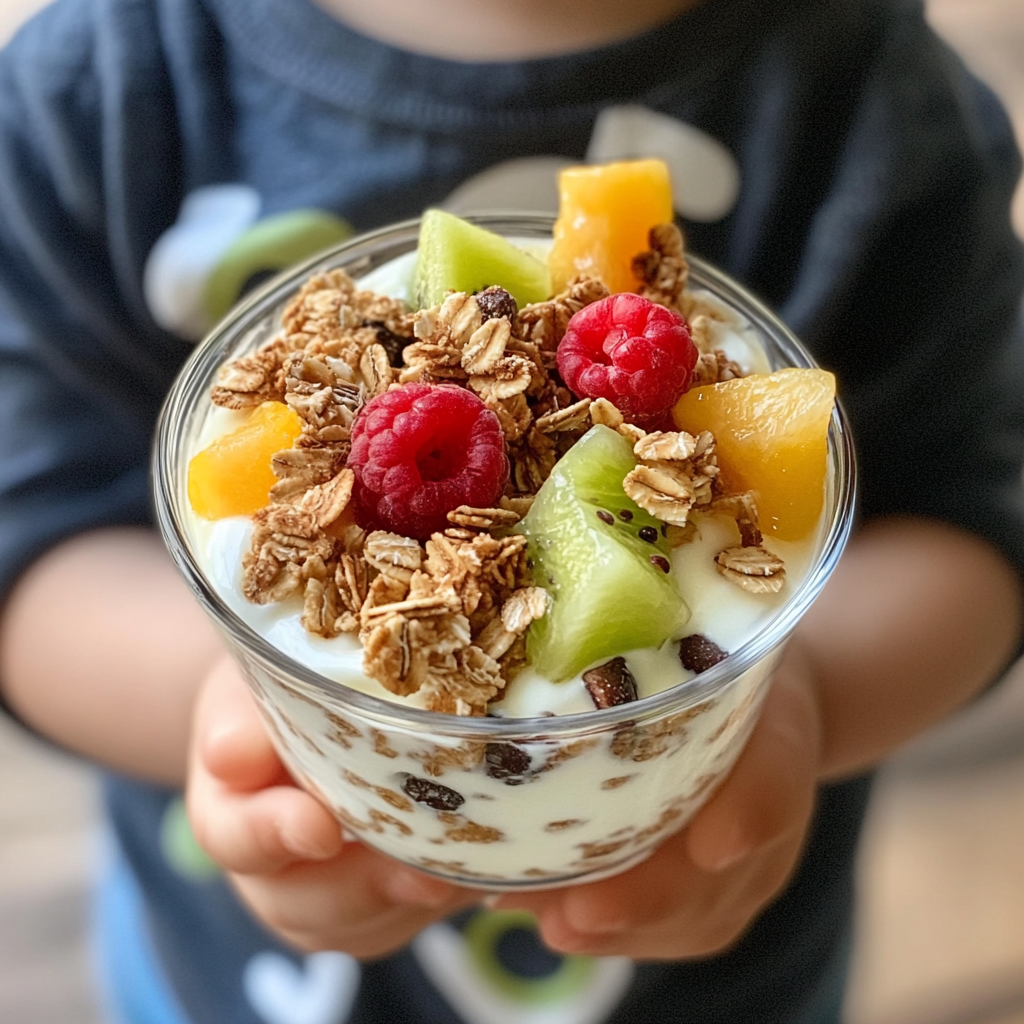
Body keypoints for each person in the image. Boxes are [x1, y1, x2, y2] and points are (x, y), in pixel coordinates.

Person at [1, 0, 1023, 1021]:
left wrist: (814, 698)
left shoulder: (876, 104)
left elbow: (978, 513)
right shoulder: (97, 85)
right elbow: (28, 541)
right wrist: (220, 694)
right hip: (230, 973)